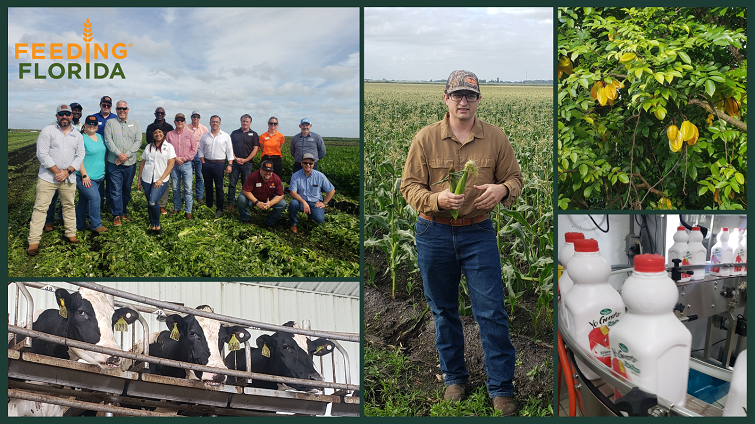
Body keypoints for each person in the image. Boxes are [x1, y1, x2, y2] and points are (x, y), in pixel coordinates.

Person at [399, 70, 523, 416]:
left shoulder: (496, 139)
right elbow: (409, 187)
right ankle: (455, 379)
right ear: (446, 98)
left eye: (470, 95)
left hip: (478, 233)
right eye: (458, 95)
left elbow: (514, 178)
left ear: (479, 99)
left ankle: (500, 389)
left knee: (492, 313)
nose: (464, 101)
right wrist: (436, 200)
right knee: (443, 311)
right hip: (433, 233)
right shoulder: (425, 139)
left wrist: (502, 190)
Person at [27, 104, 85, 256]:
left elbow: (80, 155)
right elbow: (42, 154)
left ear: (72, 116)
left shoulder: (77, 135)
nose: (64, 116)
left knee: (69, 206)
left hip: (69, 177)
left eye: (67, 114)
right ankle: (33, 242)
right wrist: (58, 171)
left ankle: (71, 234)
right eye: (61, 114)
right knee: (40, 208)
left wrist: (68, 171)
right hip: (48, 177)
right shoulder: (48, 130)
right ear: (57, 116)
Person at [44, 101, 84, 231]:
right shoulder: (53, 126)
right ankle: (49, 220)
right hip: (53, 171)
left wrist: (70, 169)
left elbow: (80, 150)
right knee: (53, 196)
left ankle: (62, 218)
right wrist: (56, 170)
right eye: (74, 110)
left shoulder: (82, 127)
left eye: (78, 110)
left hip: (72, 168)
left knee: (67, 198)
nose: (76, 112)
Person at [104, 100, 142, 226]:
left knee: (126, 189)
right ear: (116, 110)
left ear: (128, 109)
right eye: (119, 108)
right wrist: (119, 154)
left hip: (130, 163)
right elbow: (108, 140)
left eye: (124, 108)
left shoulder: (135, 124)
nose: (122, 111)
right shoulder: (110, 123)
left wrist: (126, 155)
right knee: (115, 190)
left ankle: (123, 211)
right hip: (114, 162)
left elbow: (138, 141)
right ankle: (117, 215)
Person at [137, 128, 176, 234]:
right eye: (155, 132)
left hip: (160, 180)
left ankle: (157, 225)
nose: (157, 134)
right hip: (146, 179)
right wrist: (139, 179)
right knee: (149, 203)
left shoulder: (169, 147)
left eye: (160, 132)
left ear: (163, 134)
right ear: (153, 135)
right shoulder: (148, 147)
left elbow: (171, 165)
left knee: (153, 202)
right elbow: (143, 163)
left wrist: (161, 179)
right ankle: (152, 226)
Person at [75, 115, 108, 233]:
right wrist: (84, 175)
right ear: (85, 125)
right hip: (86, 177)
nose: (92, 126)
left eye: (95, 124)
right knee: (95, 198)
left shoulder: (99, 137)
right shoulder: (81, 138)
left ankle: (80, 225)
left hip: (99, 176)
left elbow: (102, 154)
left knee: (83, 202)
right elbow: (78, 158)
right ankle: (96, 225)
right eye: (89, 123)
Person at [287, 153, 334, 234]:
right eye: (305, 162)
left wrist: (324, 203)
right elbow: (293, 192)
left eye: (310, 163)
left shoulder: (320, 176)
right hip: (300, 202)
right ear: (301, 163)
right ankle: (294, 224)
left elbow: (331, 190)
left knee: (319, 220)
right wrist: (303, 202)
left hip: (315, 203)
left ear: (313, 164)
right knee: (293, 204)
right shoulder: (295, 176)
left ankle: (310, 216)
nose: (308, 165)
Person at [198, 115, 234, 218]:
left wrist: (230, 164)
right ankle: (209, 205)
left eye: (217, 122)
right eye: (213, 121)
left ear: (220, 123)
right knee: (208, 186)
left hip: (219, 164)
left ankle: (219, 208)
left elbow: (230, 151)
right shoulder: (205, 136)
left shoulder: (225, 136)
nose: (215, 123)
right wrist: (203, 161)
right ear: (210, 123)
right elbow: (200, 149)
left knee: (219, 187)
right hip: (207, 164)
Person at [165, 113, 198, 219]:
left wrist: (183, 158)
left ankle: (188, 211)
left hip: (187, 164)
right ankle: (177, 208)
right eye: (177, 120)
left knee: (188, 189)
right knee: (175, 188)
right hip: (173, 165)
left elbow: (194, 150)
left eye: (181, 120)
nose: (179, 122)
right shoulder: (169, 134)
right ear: (174, 122)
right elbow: (166, 149)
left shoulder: (190, 134)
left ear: (184, 122)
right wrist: (175, 158)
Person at [238, 160, 286, 227]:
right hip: (253, 197)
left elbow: (280, 195)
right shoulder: (253, 176)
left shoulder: (276, 179)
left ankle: (270, 222)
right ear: (260, 169)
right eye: (265, 170)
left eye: (270, 171)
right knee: (241, 199)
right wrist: (257, 202)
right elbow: (245, 191)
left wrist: (270, 203)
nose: (267, 173)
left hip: (268, 198)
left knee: (282, 204)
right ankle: (244, 218)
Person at [227, 114, 259, 210]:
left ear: (250, 123)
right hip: (235, 163)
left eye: (247, 121)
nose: (245, 123)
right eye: (243, 121)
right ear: (240, 122)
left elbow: (255, 149)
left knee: (247, 185)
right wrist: (235, 158)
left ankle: (247, 203)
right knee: (232, 184)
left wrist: (246, 160)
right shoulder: (234, 133)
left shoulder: (254, 134)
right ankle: (230, 203)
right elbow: (230, 147)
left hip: (247, 164)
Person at [146, 107, 175, 214]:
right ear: (155, 114)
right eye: (158, 113)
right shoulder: (150, 127)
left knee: (164, 180)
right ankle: (153, 202)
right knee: (152, 178)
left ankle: (162, 205)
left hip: (164, 156)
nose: (159, 114)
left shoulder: (169, 127)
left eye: (161, 113)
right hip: (153, 155)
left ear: (164, 114)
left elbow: (171, 141)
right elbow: (148, 141)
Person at [186, 110, 208, 204]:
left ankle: (199, 197)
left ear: (200, 118)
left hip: (200, 155)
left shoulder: (204, 129)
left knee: (199, 176)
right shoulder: (186, 128)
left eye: (197, 117)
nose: (196, 118)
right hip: (189, 155)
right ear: (191, 117)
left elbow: (207, 142)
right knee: (188, 176)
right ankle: (189, 195)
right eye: (194, 116)